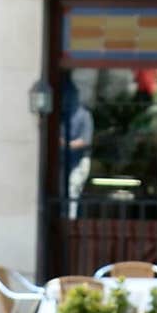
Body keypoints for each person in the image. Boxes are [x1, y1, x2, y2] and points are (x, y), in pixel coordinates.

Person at [62, 83, 93, 218]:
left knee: (73, 189)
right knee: (62, 191)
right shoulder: (62, 115)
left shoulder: (84, 115)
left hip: (79, 161)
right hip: (63, 161)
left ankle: (71, 221)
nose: (69, 98)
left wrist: (67, 144)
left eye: (72, 94)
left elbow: (86, 140)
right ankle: (64, 218)